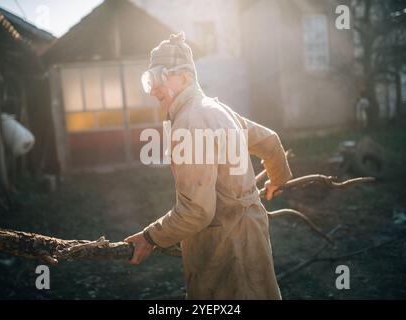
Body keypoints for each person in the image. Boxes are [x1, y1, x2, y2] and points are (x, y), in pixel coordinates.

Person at [124, 32, 292, 299]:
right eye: (149, 80)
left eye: (160, 76)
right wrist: (278, 178)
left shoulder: (191, 121)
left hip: (224, 250)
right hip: (254, 237)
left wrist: (150, 237)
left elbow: (197, 212)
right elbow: (270, 142)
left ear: (186, 77)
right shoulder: (217, 109)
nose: (154, 87)